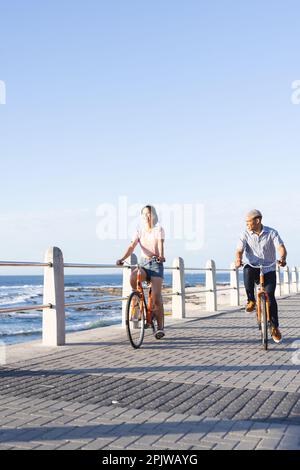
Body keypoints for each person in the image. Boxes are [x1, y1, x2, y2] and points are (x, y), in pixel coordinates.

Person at [235, 209, 287, 343]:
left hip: (269, 268)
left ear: (257, 220)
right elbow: (239, 250)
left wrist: (282, 258)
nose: (247, 224)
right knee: (246, 270)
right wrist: (238, 259)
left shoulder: (271, 233)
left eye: (249, 222)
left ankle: (274, 327)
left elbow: (281, 247)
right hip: (253, 267)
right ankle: (251, 300)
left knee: (270, 296)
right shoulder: (245, 234)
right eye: (245, 222)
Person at [116, 205, 166, 339]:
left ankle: (160, 327)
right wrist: (122, 258)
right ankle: (137, 304)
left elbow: (160, 245)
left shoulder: (159, 229)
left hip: (156, 264)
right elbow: (131, 246)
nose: (146, 216)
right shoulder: (139, 231)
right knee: (133, 277)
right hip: (143, 263)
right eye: (144, 214)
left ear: (153, 215)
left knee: (156, 297)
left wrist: (161, 256)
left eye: (149, 213)